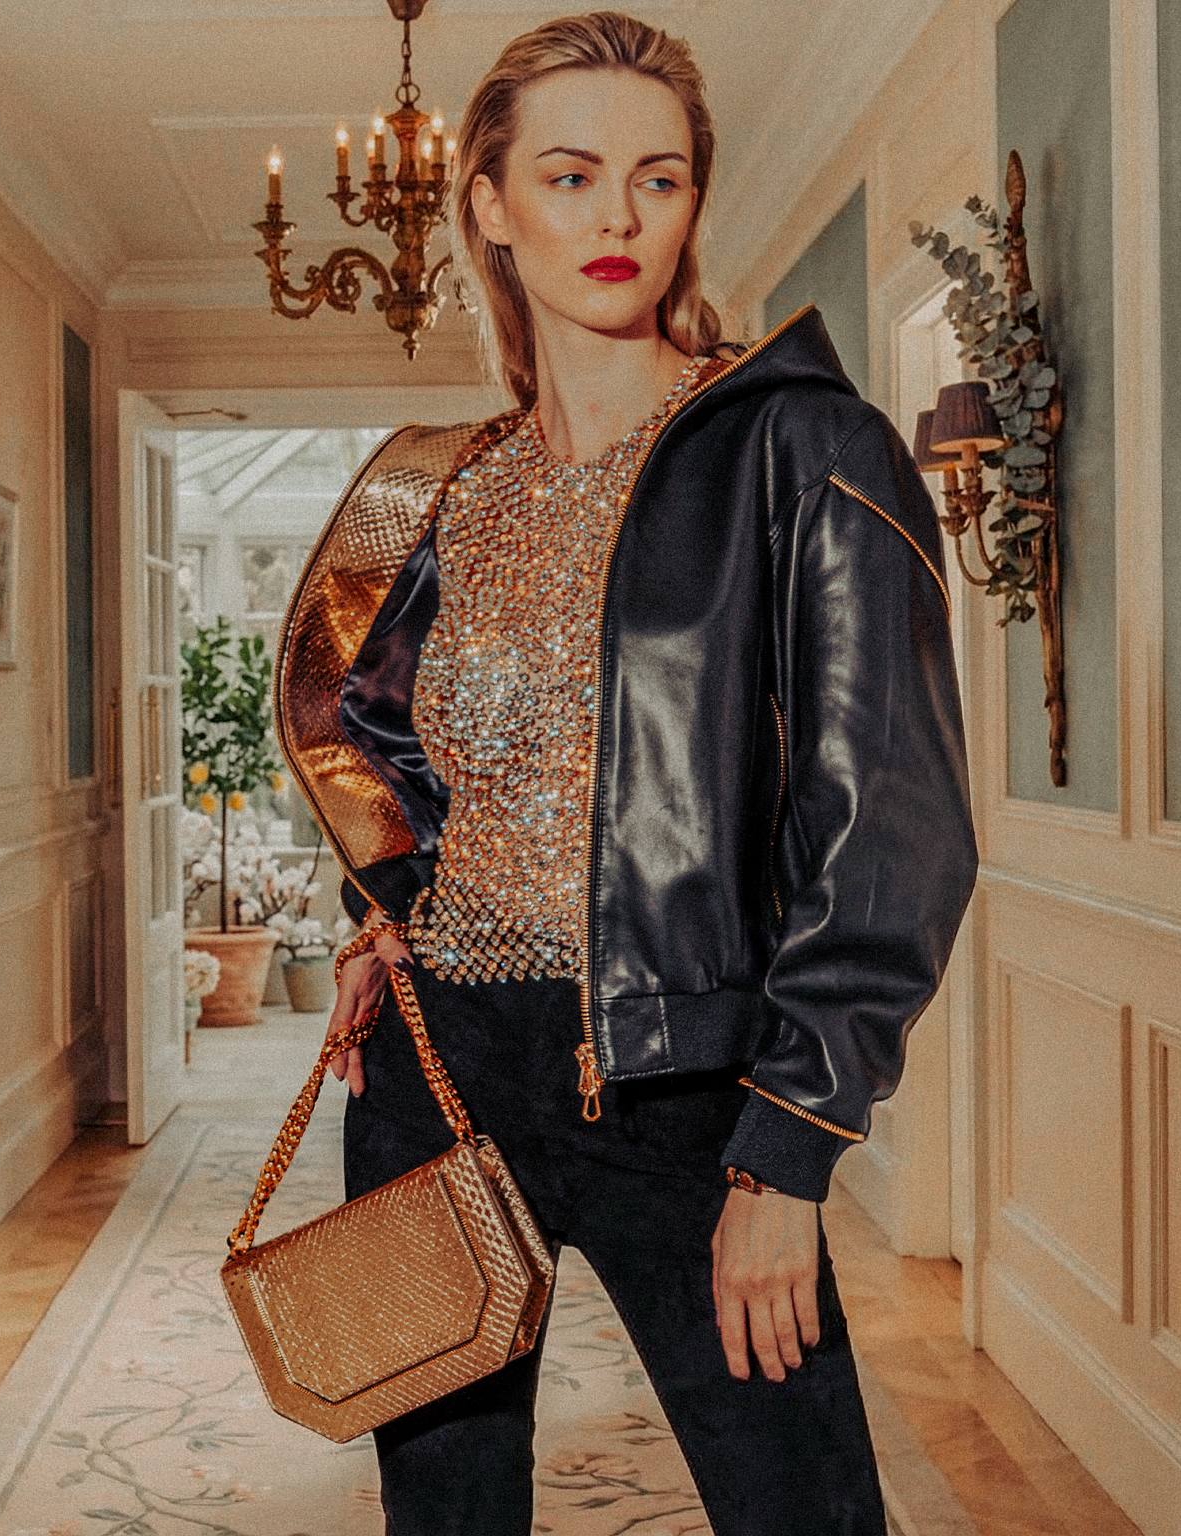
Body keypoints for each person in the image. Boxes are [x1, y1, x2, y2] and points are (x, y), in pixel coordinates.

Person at [273, 10, 977, 1534]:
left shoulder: (806, 449)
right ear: (489, 202)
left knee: (806, 1511)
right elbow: (364, 731)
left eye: (656, 181)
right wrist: (390, 912)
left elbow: (892, 823)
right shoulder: (432, 488)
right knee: (445, 1514)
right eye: (573, 174)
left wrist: (789, 1150)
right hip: (437, 1078)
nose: (616, 219)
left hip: (686, 1091)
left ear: (693, 204)